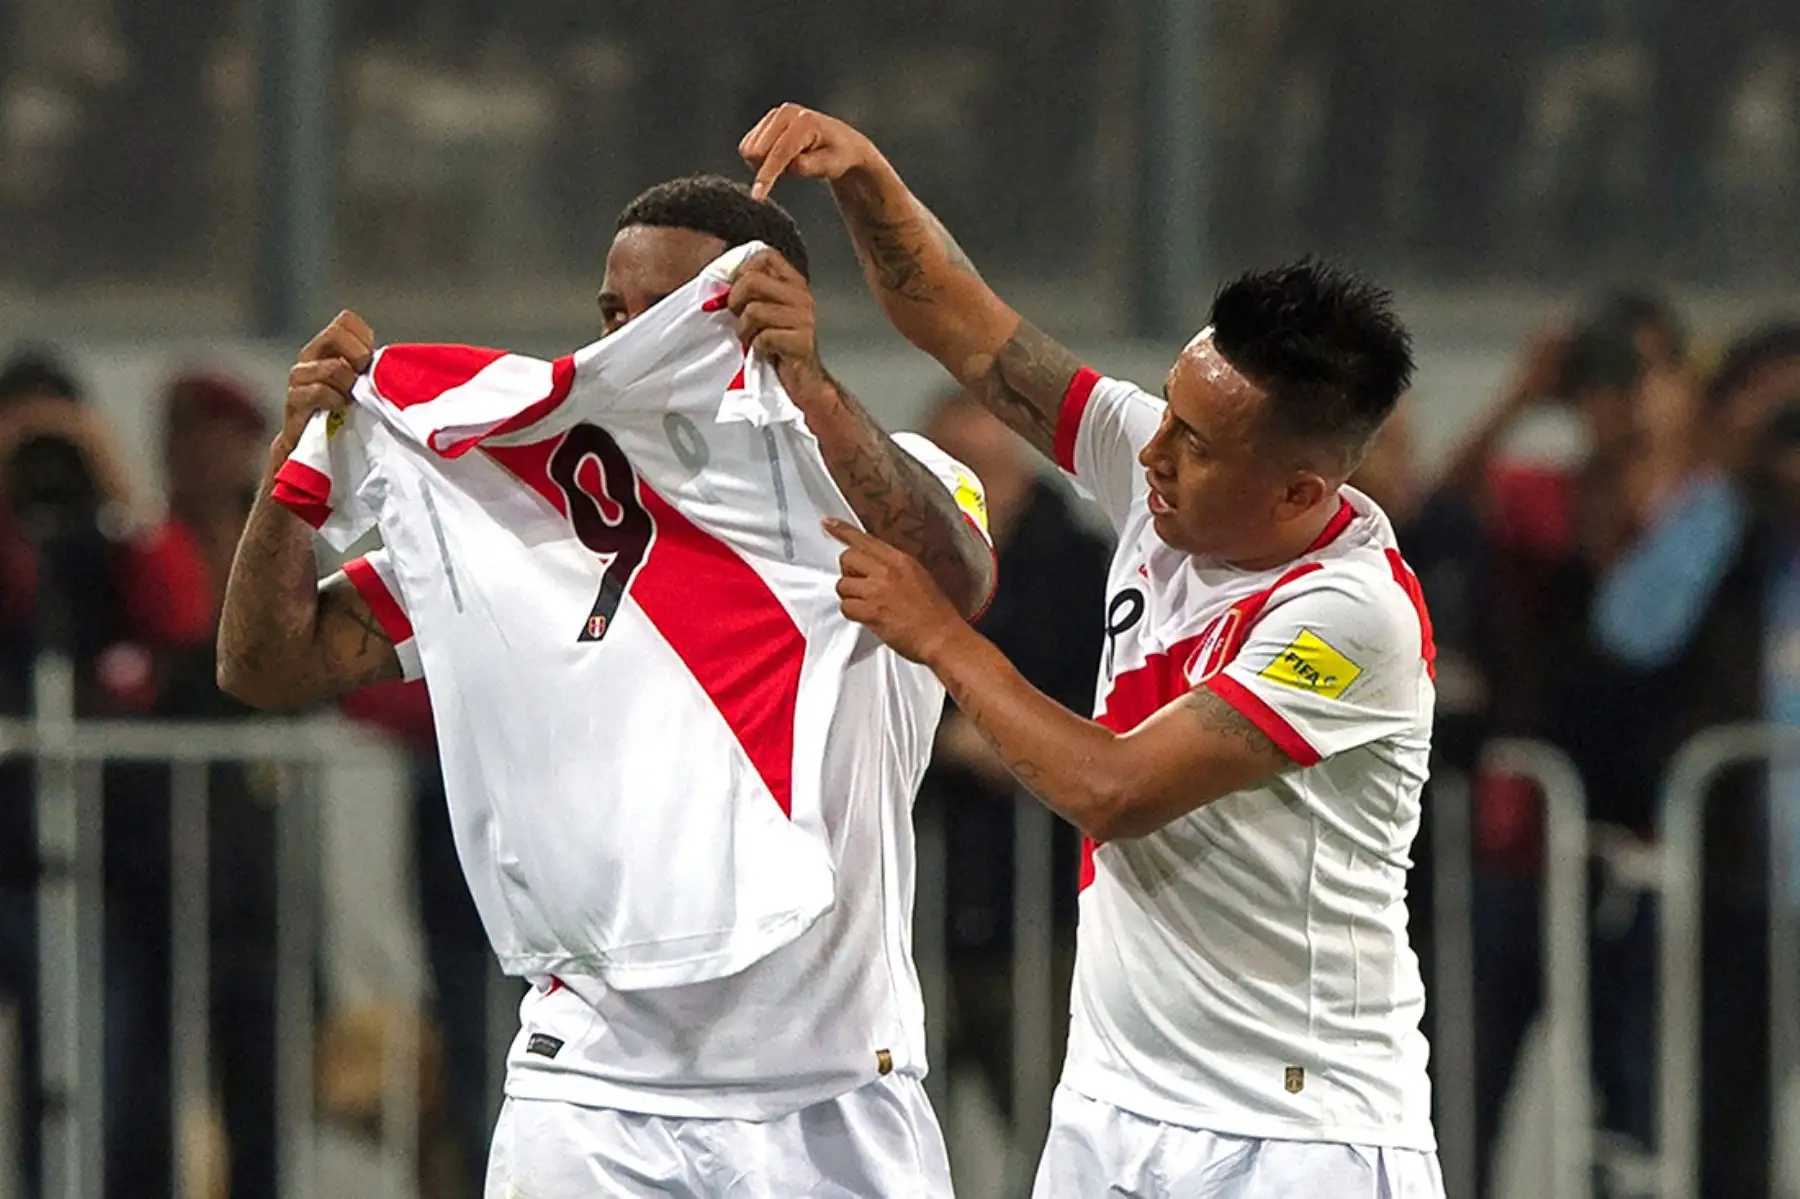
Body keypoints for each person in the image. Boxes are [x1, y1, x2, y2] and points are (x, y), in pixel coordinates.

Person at [217, 175, 993, 1197]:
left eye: (662, 314)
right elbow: (268, 661)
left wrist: (809, 388)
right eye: (611, 313)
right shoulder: (520, 510)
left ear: (765, 309)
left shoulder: (881, 477)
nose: (625, 340)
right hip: (588, 1095)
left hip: (831, 1090)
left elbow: (954, 578)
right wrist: (295, 473)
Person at [742, 103, 1443, 1196]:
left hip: (1297, 1134)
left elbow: (1113, 787)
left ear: (1304, 490)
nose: (1148, 449)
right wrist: (867, 177)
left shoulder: (1353, 618)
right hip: (1112, 1107)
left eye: (1193, 444)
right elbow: (964, 327)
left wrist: (936, 631)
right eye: (1163, 412)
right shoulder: (1166, 478)